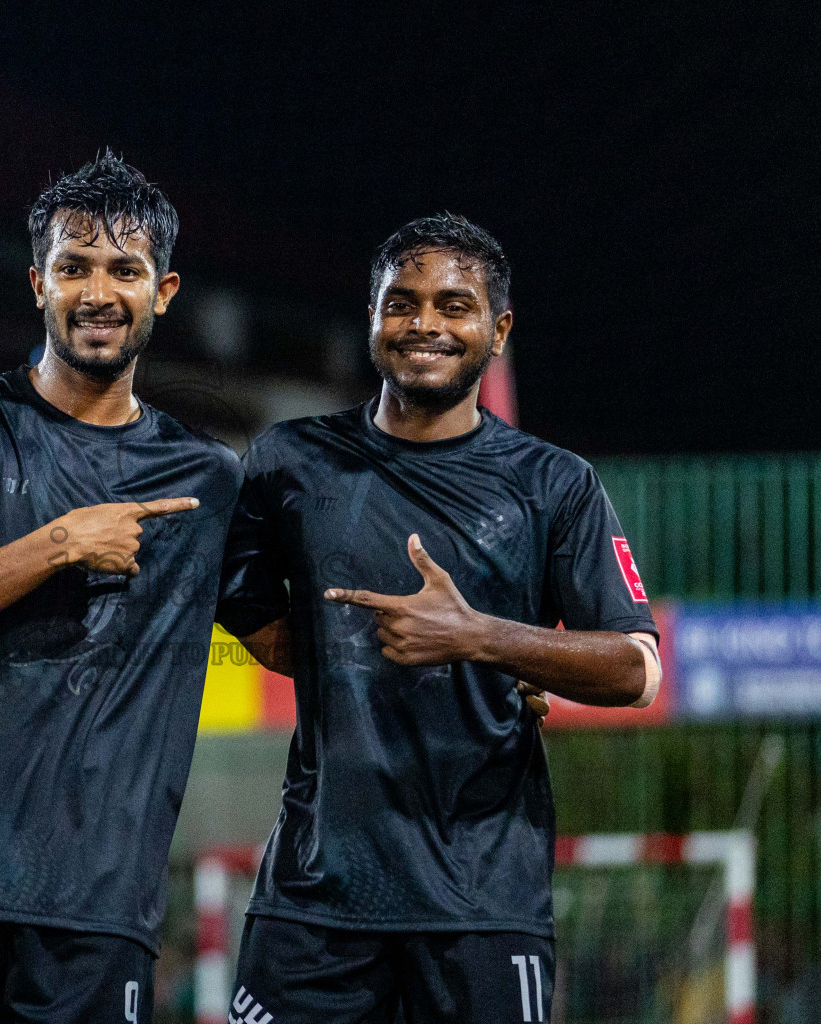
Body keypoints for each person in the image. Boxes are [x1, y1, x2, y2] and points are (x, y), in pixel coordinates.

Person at [217, 213, 662, 1022]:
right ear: (373, 318)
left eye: (455, 306)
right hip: (315, 897)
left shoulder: (554, 484)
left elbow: (638, 670)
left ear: (498, 331)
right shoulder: (289, 461)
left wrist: (479, 638)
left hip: (481, 905)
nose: (425, 324)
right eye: (403, 302)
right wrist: (339, 654)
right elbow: (238, 601)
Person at [0, 150, 243, 1024]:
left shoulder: (210, 477)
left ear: (164, 291)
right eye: (74, 267)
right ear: (38, 282)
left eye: (124, 270)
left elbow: (289, 634)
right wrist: (60, 542)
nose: (97, 292)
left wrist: (483, 659)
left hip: (96, 908)